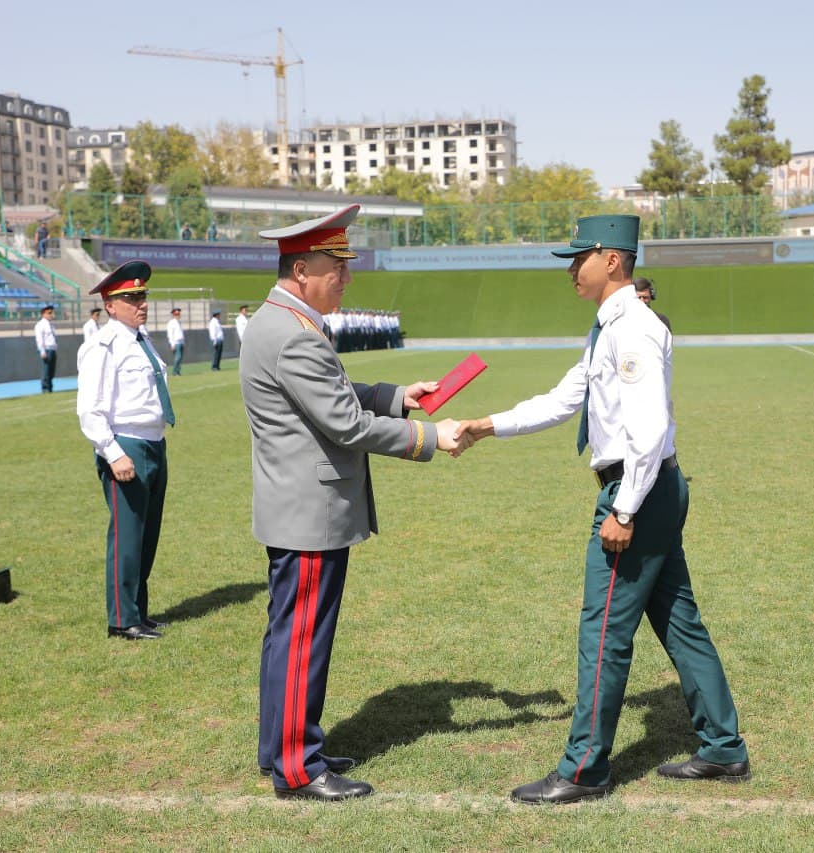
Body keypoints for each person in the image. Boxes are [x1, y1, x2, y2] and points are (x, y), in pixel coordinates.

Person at [456, 215, 749, 805]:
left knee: (604, 631)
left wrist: (624, 509)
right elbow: (566, 399)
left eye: (578, 258)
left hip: (636, 493)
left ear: (611, 259)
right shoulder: (609, 327)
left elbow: (648, 428)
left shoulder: (631, 328)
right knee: (679, 622)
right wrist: (487, 426)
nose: (571, 269)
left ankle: (584, 769)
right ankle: (723, 747)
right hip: (653, 490)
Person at [239, 205, 470, 803]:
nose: (345, 278)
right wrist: (429, 437)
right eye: (334, 266)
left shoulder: (288, 321)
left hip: (299, 506)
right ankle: (297, 766)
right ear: (299, 269)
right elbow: (342, 422)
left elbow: (331, 393)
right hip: (309, 511)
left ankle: (284, 747)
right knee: (301, 639)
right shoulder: (294, 332)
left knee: (292, 634)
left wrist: (397, 396)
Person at [76, 261, 175, 641]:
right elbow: (91, 407)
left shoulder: (141, 339)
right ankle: (121, 619)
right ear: (110, 304)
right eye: (131, 297)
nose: (141, 303)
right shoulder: (102, 345)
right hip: (126, 444)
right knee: (128, 536)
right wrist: (112, 452)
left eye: (143, 295)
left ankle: (139, 612)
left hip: (153, 443)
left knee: (147, 536)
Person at [34, 304, 58, 392]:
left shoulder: (51, 325)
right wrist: (42, 351)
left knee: (51, 371)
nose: (51, 315)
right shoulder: (40, 325)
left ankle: (50, 388)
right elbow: (39, 339)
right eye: (49, 313)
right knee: (46, 370)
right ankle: (45, 388)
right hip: (46, 350)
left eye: (52, 312)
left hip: (52, 349)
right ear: (43, 313)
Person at [166, 308, 185, 376]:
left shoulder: (179, 322)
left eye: (178, 314)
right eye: (176, 314)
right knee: (178, 357)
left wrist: (183, 342)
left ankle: (178, 371)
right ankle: (174, 372)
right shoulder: (171, 323)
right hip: (176, 343)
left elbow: (181, 333)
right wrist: (172, 344)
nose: (178, 315)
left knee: (180, 358)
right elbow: (170, 334)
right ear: (173, 315)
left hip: (181, 342)